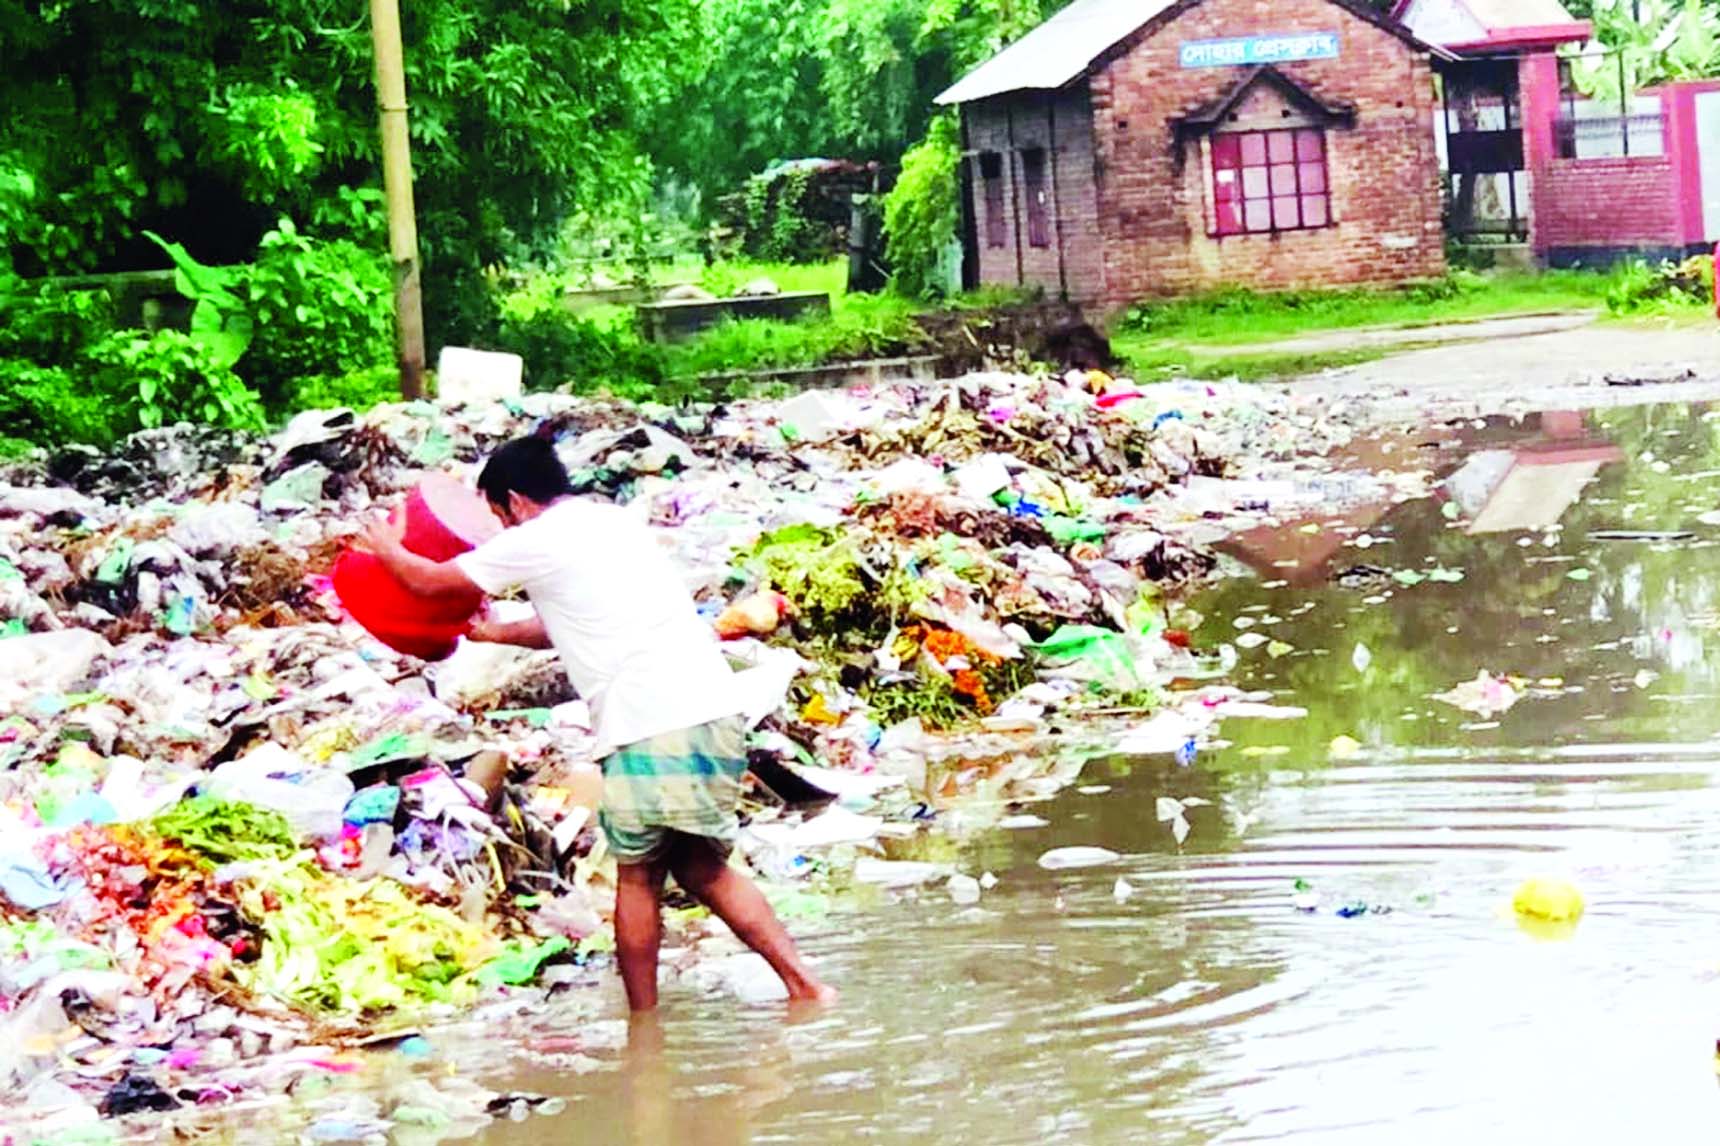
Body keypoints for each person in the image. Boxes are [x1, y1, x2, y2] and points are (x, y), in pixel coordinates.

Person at [361, 435, 835, 1013]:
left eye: (496, 515)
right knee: (701, 867)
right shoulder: (609, 523)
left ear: (514, 500)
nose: (500, 528)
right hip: (711, 710)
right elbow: (569, 618)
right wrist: (498, 634)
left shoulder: (536, 538)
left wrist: (385, 547)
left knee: (637, 876)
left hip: (649, 721)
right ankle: (805, 988)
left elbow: (429, 583)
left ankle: (644, 1030)